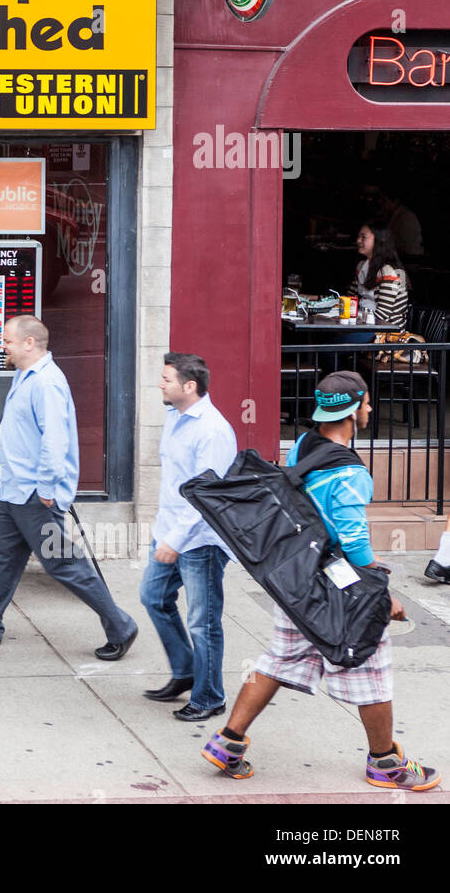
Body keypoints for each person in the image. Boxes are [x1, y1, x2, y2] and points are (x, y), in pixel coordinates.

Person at [202, 371, 440, 791]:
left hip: (297, 577)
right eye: (366, 404)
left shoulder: (303, 446)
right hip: (337, 585)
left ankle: (227, 742)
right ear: (353, 409)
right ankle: (385, 762)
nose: (370, 410)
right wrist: (384, 593)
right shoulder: (349, 471)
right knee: (372, 666)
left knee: (280, 659)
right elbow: (352, 540)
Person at [0, 315, 138, 658]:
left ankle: (120, 625)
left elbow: (54, 443)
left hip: (33, 494)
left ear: (29, 343)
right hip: (14, 491)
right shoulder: (23, 375)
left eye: (8, 341)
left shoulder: (47, 383)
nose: (4, 346)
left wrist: (45, 490)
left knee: (64, 563)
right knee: (0, 557)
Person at [139, 353, 238, 721]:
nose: (160, 384)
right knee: (153, 597)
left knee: (204, 621)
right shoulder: (174, 417)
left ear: (189, 386)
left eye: (166, 379)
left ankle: (210, 696)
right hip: (168, 531)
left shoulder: (212, 431)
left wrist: (175, 540)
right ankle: (185, 671)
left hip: (201, 542)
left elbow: (206, 496)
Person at [348, 221, 409, 331]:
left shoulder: (388, 271)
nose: (358, 241)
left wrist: (353, 324)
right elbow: (349, 300)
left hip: (385, 333)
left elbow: (382, 315)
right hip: (364, 325)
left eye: (363, 237)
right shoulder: (361, 266)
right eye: (358, 236)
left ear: (379, 240)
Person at [361, 178, 423, 260]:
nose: (380, 203)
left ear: (395, 202)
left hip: (408, 261)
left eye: (384, 200)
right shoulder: (388, 216)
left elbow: (407, 248)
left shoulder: (406, 219)